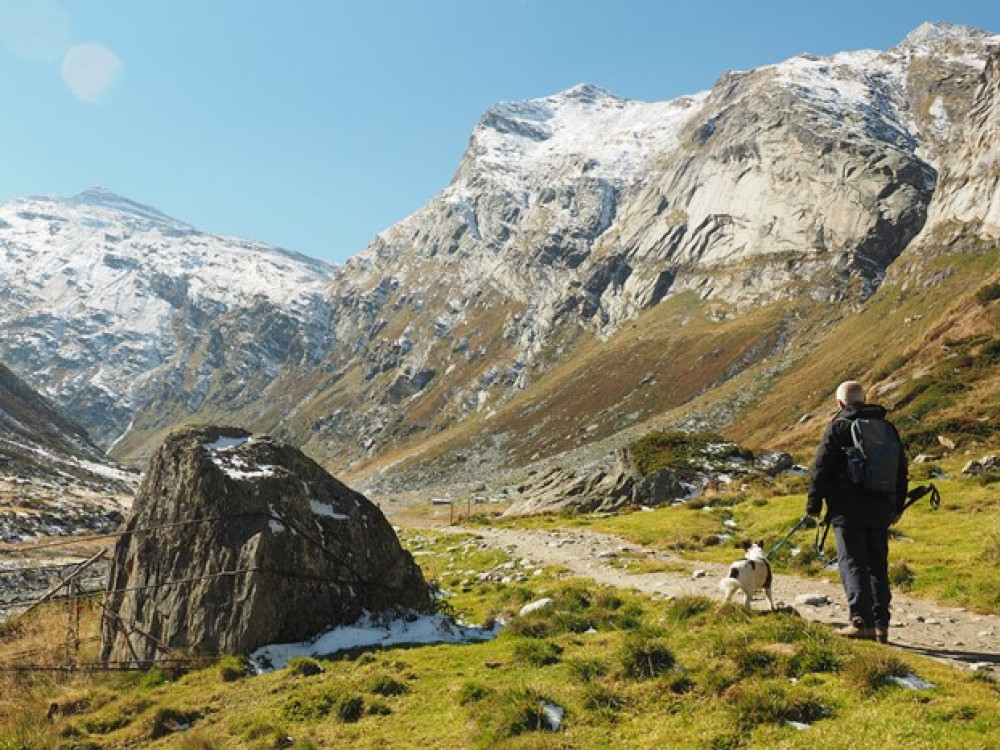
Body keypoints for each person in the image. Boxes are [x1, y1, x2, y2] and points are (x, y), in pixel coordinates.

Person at [806, 380, 907, 643]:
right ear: (864, 399)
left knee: (853, 564)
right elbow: (900, 469)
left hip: (847, 510)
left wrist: (813, 505)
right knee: (877, 565)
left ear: (840, 403)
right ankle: (881, 624)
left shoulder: (839, 426)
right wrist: (897, 506)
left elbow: (821, 468)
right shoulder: (886, 427)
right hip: (881, 508)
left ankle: (861, 623)